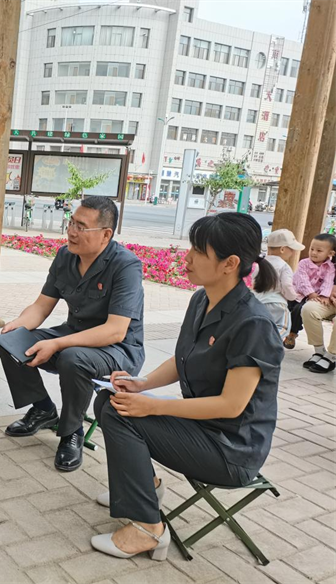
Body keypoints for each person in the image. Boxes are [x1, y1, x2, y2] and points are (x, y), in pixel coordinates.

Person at [90, 212, 283, 561]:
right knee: (110, 400)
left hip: (231, 449)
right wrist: (142, 384)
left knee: (122, 416)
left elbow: (231, 405)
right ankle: (144, 490)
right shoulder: (202, 300)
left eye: (198, 251)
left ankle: (148, 528)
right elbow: (184, 359)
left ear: (230, 264)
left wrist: (155, 405)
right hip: (203, 428)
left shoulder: (252, 323)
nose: (187, 256)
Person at [0, 196, 144, 472]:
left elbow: (115, 330)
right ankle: (43, 409)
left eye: (81, 227)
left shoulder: (126, 265)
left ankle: (71, 431)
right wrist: (18, 325)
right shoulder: (66, 256)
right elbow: (41, 306)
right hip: (73, 337)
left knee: (73, 358)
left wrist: (57, 344)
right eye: (71, 223)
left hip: (118, 351)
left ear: (106, 235)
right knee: (11, 342)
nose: (72, 232)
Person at [284, 233, 336, 349]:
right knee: (286, 308)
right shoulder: (304, 263)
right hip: (298, 293)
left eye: (319, 250)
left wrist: (324, 295)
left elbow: (329, 281)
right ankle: (280, 330)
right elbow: (302, 280)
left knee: (299, 310)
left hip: (314, 296)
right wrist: (310, 293)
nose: (313, 253)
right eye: (312, 249)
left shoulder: (330, 267)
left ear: (330, 254)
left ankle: (292, 333)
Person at [252, 229, 304, 337]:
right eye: (292, 249)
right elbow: (286, 285)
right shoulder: (284, 266)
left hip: (257, 302)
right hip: (277, 304)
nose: (293, 253)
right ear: (282, 249)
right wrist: (293, 296)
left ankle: (257, 343)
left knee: (258, 327)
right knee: (282, 329)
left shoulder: (260, 263)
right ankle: (270, 344)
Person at [301, 264, 336, 373]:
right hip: (332, 297)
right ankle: (319, 351)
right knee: (309, 309)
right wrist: (331, 291)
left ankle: (332, 356)